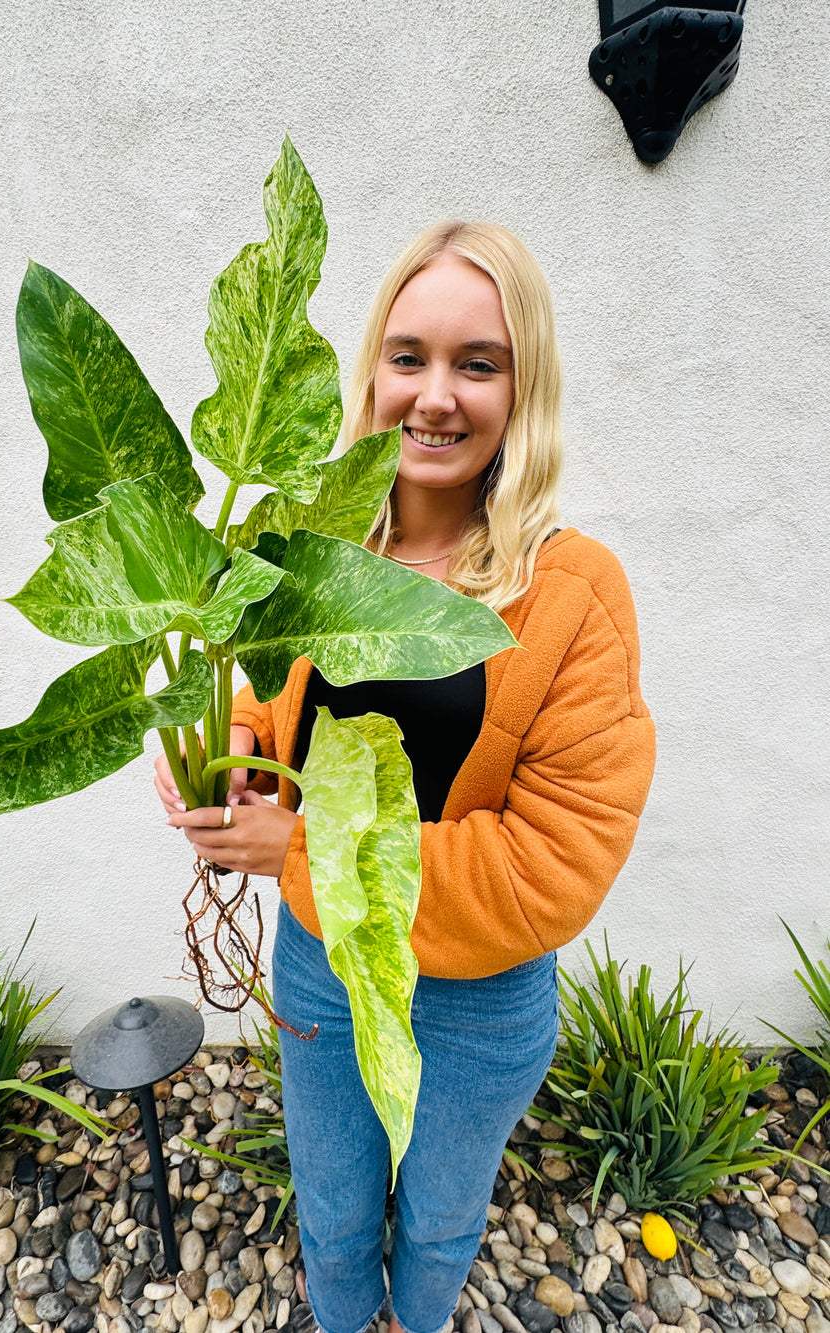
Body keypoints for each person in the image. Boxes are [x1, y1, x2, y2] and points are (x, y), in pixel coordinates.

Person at [156, 221, 656, 1333]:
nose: (436, 394)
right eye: (409, 355)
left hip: (477, 1002)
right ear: (371, 373)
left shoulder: (570, 592)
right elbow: (256, 698)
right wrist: (229, 764)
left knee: (437, 1218)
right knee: (332, 1213)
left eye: (477, 363)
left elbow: (554, 864)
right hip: (326, 969)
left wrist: (309, 852)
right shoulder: (293, 547)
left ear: (522, 388)